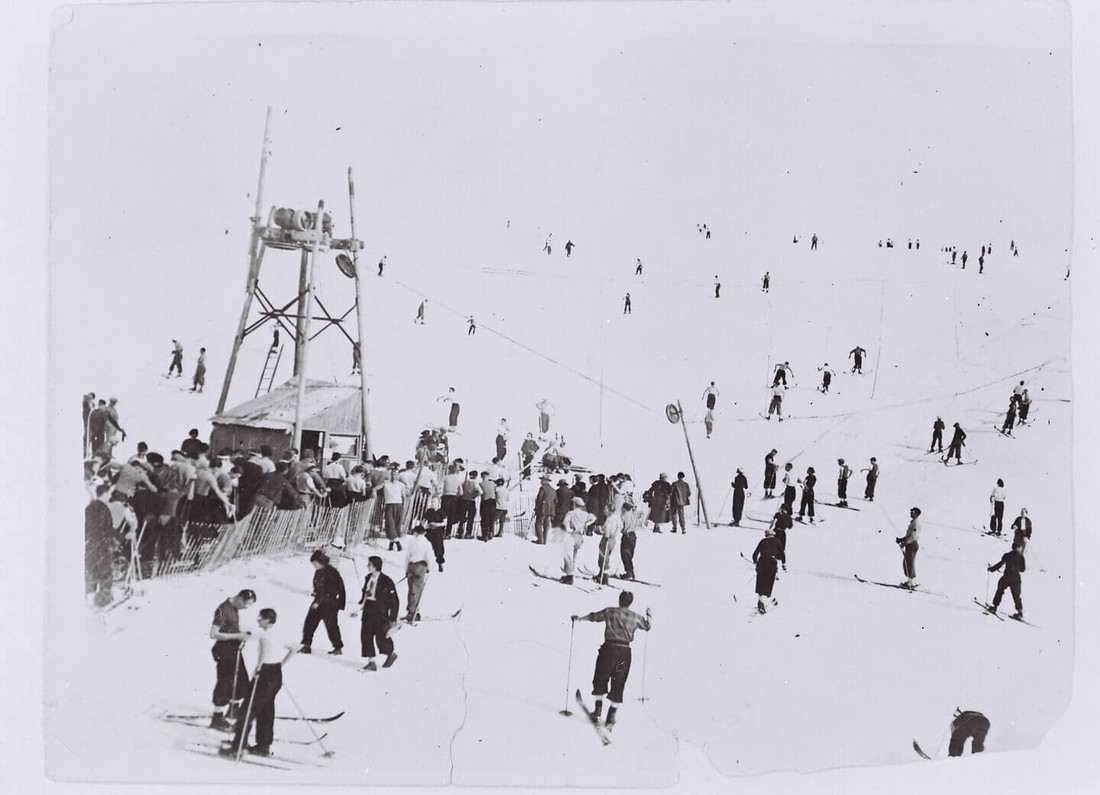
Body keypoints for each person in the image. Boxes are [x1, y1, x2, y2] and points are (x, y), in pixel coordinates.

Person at [220, 607, 299, 758]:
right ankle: (263, 746)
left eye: (260, 618)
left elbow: (262, 658)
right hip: (276, 674)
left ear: (268, 620)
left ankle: (237, 747)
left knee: (247, 710)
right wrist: (281, 664)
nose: (258, 620)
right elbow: (294, 648)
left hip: (264, 675)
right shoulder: (279, 632)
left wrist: (257, 671)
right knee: (266, 710)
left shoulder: (265, 637)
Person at [571, 591, 652, 730]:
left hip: (608, 650)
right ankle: (611, 718)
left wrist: (579, 619)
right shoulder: (636, 617)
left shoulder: (610, 611)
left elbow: (594, 617)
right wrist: (649, 615)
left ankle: (597, 712)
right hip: (624, 654)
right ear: (630, 602)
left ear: (619, 600)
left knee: (601, 678)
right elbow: (647, 627)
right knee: (619, 681)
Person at [208, 589, 257, 730]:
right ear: (239, 598)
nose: (246, 608)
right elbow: (213, 634)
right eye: (246, 604)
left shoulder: (234, 608)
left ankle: (233, 711)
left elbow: (230, 628)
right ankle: (217, 718)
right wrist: (237, 636)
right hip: (223, 651)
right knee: (224, 682)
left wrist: (241, 633)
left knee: (241, 681)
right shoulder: (223, 609)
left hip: (233, 650)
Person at [299, 550, 345, 655]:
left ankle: (338, 647)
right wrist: (315, 594)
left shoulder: (332, 573)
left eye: (315, 564)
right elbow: (318, 586)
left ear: (321, 562)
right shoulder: (319, 571)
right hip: (319, 601)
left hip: (330, 604)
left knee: (331, 626)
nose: (314, 566)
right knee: (309, 623)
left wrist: (318, 602)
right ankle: (306, 645)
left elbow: (330, 591)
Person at [357, 556, 399, 671]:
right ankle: (371, 662)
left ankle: (391, 653)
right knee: (366, 635)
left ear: (376, 566)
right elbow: (365, 591)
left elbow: (394, 600)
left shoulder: (386, 581)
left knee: (381, 635)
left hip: (380, 611)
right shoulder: (368, 578)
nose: (367, 566)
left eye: (369, 564)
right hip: (368, 609)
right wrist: (362, 602)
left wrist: (392, 617)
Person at [85, 483, 116, 607]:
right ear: (104, 493)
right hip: (101, 544)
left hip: (89, 544)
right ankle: (104, 599)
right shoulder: (103, 508)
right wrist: (121, 538)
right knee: (105, 572)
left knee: (91, 570)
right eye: (109, 493)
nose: (110, 496)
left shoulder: (89, 507)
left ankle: (89, 597)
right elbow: (107, 529)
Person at [561, 497, 596, 584]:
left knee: (568, 554)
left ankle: (569, 576)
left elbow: (565, 522)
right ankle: (570, 574)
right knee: (574, 555)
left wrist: (568, 529)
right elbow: (594, 518)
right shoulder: (585, 514)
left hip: (573, 535)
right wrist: (586, 525)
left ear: (574, 504)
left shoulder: (571, 513)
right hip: (580, 537)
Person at [987, 543, 1026, 619]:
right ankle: (1020, 612)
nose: (1021, 549)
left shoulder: (1007, 555)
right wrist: (1016, 568)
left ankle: (994, 607)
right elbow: (1023, 569)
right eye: (1020, 547)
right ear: (1018, 548)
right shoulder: (1021, 557)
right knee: (1016, 595)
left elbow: (1000, 564)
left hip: (1007, 577)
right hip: (1016, 579)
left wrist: (992, 569)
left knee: (1000, 591)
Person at [752, 527, 786, 613]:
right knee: (768, 582)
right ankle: (763, 602)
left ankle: (760, 601)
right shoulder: (777, 541)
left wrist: (756, 563)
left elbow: (754, 554)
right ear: (773, 535)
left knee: (760, 582)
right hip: (771, 563)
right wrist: (783, 564)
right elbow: (782, 553)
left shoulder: (762, 541)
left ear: (766, 535)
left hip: (761, 562)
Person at [403, 525, 433, 622]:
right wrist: (429, 567)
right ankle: (413, 612)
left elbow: (407, 555)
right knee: (416, 590)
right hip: (420, 566)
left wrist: (406, 569)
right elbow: (428, 556)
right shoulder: (426, 543)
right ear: (424, 533)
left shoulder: (411, 541)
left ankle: (410, 611)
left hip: (411, 565)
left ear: (415, 532)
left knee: (411, 589)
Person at [895, 507, 921, 589]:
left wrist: (905, 543)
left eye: (913, 512)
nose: (911, 513)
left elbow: (914, 536)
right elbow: (909, 535)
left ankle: (911, 583)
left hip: (912, 544)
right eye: (911, 511)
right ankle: (911, 581)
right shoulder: (913, 522)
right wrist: (902, 539)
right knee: (907, 562)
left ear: (916, 514)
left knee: (909, 562)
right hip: (910, 544)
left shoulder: (916, 523)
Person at [382, 469, 408, 551]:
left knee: (397, 525)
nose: (394, 476)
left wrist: (404, 506)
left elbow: (404, 496)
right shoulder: (386, 484)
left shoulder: (401, 485)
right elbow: (377, 488)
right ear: (390, 475)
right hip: (389, 505)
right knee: (390, 524)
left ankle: (391, 544)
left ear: (397, 476)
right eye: (392, 474)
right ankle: (398, 544)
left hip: (398, 505)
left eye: (395, 474)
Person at [458, 470, 482, 539]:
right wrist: (474, 495)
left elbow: (461, 490)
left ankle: (460, 532)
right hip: (471, 501)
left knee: (462, 517)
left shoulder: (465, 482)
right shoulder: (475, 483)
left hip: (463, 500)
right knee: (470, 518)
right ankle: (468, 533)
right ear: (476, 476)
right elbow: (481, 492)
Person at [478, 472, 498, 542]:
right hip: (492, 501)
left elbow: (478, 492)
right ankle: (491, 533)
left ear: (481, 477)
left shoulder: (480, 484)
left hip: (485, 502)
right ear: (488, 476)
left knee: (484, 518)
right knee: (491, 518)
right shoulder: (492, 483)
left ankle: (485, 535)